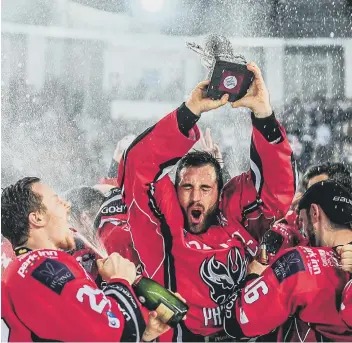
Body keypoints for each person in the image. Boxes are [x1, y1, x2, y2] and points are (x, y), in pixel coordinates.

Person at [115, 62, 296, 340]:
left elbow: (277, 193)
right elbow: (137, 166)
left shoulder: (235, 214)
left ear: (220, 191)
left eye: (205, 187)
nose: (195, 196)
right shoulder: (161, 229)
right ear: (174, 191)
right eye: (186, 186)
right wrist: (189, 112)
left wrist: (263, 115)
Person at [1, 177, 171, 342]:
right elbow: (109, 331)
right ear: (37, 218)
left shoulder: (29, 270)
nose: (67, 204)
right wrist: (120, 280)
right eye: (57, 201)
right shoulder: (38, 266)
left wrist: (143, 334)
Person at [228, 180, 352, 342]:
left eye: (302, 222)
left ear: (315, 212)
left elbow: (237, 322)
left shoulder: (298, 264)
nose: (303, 232)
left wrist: (253, 277)